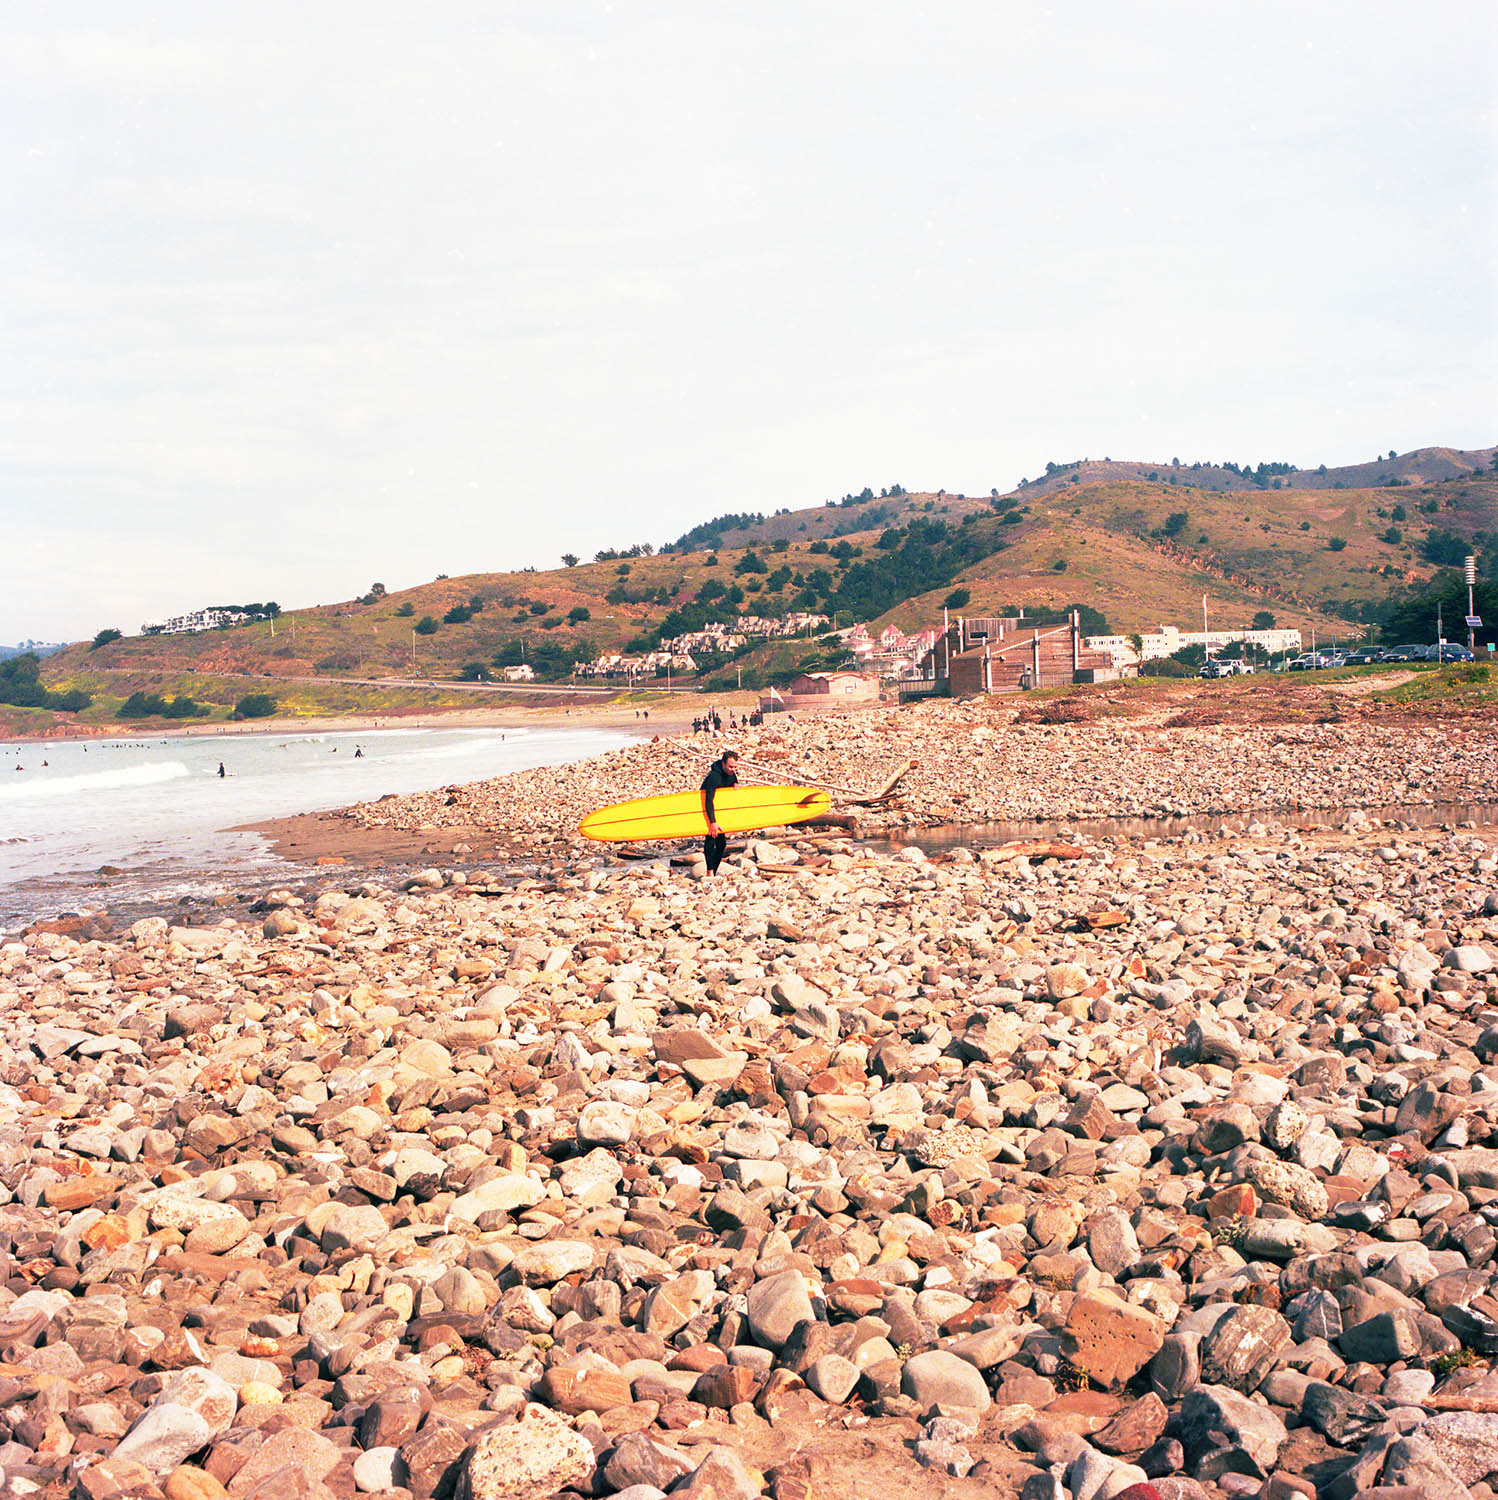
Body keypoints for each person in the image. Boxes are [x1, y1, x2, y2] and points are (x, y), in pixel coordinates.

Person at [700, 749, 739, 875]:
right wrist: (712, 822)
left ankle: (714, 870)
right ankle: (709, 871)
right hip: (707, 811)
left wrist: (736, 785)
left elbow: (733, 782)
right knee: (711, 840)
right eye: (730, 766)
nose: (732, 769)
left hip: (720, 811)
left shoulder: (731, 773)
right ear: (723, 763)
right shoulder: (714, 777)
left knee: (721, 844)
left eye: (735, 767)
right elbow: (708, 800)